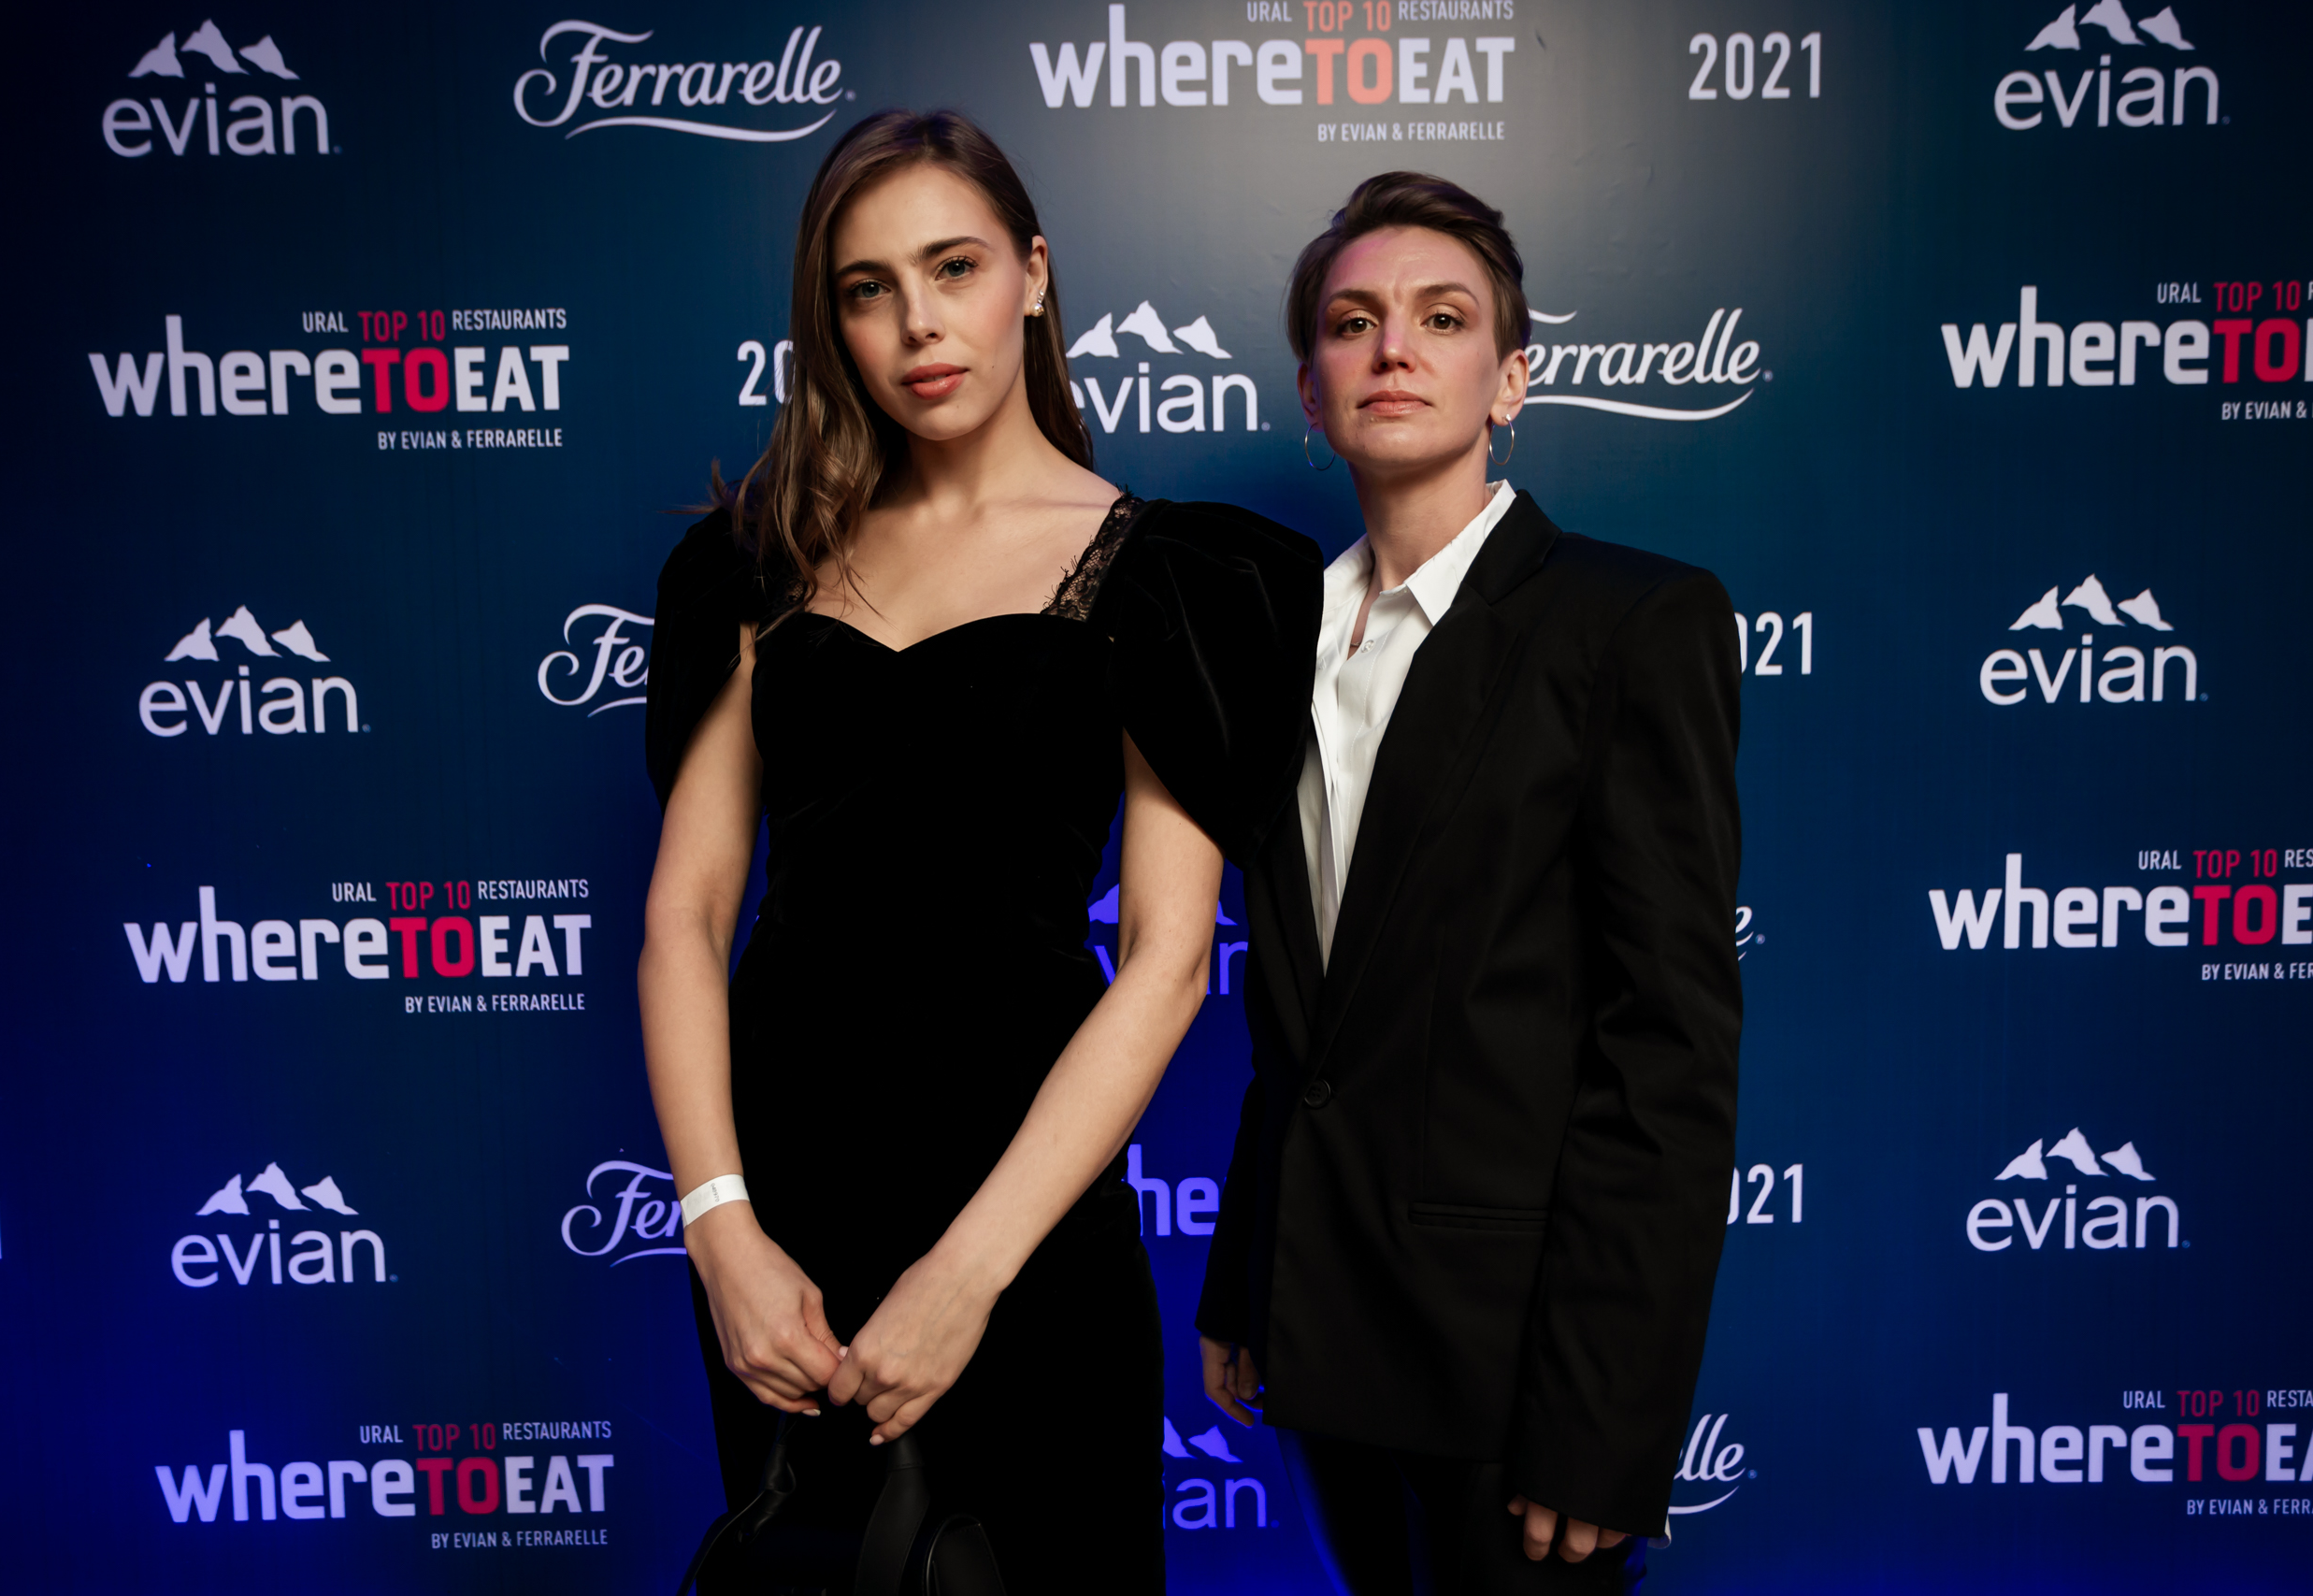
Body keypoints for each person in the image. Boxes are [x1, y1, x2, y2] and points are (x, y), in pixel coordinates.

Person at [639, 109, 1319, 1593]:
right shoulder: (755, 561)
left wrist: (968, 1273)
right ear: (829, 321)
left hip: (1025, 1208)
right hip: (785, 1220)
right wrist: (721, 1234)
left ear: (1033, 274)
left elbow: (1166, 960)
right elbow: (685, 918)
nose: (918, 323)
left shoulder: (1170, 575)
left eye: (953, 267)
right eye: (867, 288)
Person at [1195, 172, 1742, 1593]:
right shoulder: (1274, 643)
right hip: (1316, 1332)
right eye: (1352, 322)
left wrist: (1606, 1421)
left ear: (1510, 380)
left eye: (1442, 319)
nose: (1394, 348)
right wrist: (1245, 1273)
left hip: (1514, 1371)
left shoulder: (1630, 622)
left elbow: (1668, 1051)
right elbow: (1304, 1017)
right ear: (1310, 390)